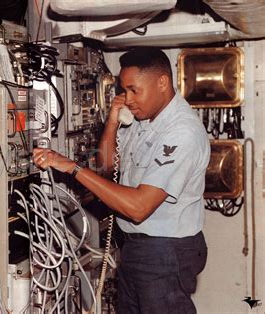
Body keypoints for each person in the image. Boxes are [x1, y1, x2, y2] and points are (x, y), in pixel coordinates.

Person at [33, 46, 210, 313]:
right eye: (123, 91)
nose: (127, 99)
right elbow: (107, 166)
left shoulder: (181, 131)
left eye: (133, 90)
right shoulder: (144, 118)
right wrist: (113, 123)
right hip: (138, 249)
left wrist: (72, 168)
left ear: (162, 83)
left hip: (165, 252)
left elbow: (138, 208)